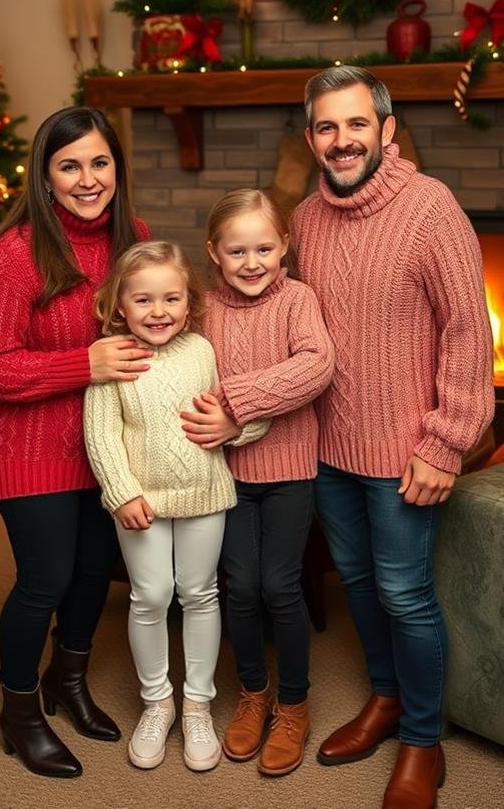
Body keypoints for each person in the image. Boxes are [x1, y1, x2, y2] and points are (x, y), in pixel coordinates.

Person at [292, 66, 495, 809]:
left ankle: (420, 737)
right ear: (310, 138)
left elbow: (468, 332)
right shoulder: (304, 219)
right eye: (324, 127)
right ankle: (382, 699)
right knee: (357, 584)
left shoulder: (430, 207)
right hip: (327, 449)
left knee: (405, 595)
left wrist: (445, 442)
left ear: (384, 130)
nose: (340, 141)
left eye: (354, 125)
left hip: (406, 452)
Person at [0, 106, 152, 779]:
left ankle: (66, 681)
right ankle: (19, 708)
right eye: (69, 165)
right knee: (44, 577)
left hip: (106, 448)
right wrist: (87, 362)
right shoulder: (15, 252)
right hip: (29, 445)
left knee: (92, 573)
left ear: (116, 168)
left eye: (99, 162)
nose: (87, 178)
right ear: (45, 178)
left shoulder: (134, 239)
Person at [83, 240, 269, 774]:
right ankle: (156, 701)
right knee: (150, 595)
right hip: (140, 499)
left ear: (189, 302)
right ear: (120, 304)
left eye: (170, 299)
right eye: (143, 300)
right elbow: (101, 432)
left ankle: (196, 704)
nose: (158, 312)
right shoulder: (115, 355)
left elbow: (234, 407)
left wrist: (243, 424)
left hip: (204, 494)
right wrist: (121, 492)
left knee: (199, 593)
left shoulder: (201, 352)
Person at [181, 189, 334, 777]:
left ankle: (293, 704)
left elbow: (317, 365)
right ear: (214, 253)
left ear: (284, 247)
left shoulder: (298, 299)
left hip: (291, 472)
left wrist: (237, 404)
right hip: (226, 479)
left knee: (279, 585)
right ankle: (253, 693)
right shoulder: (203, 312)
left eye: (264, 248)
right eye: (237, 250)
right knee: (239, 587)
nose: (252, 263)